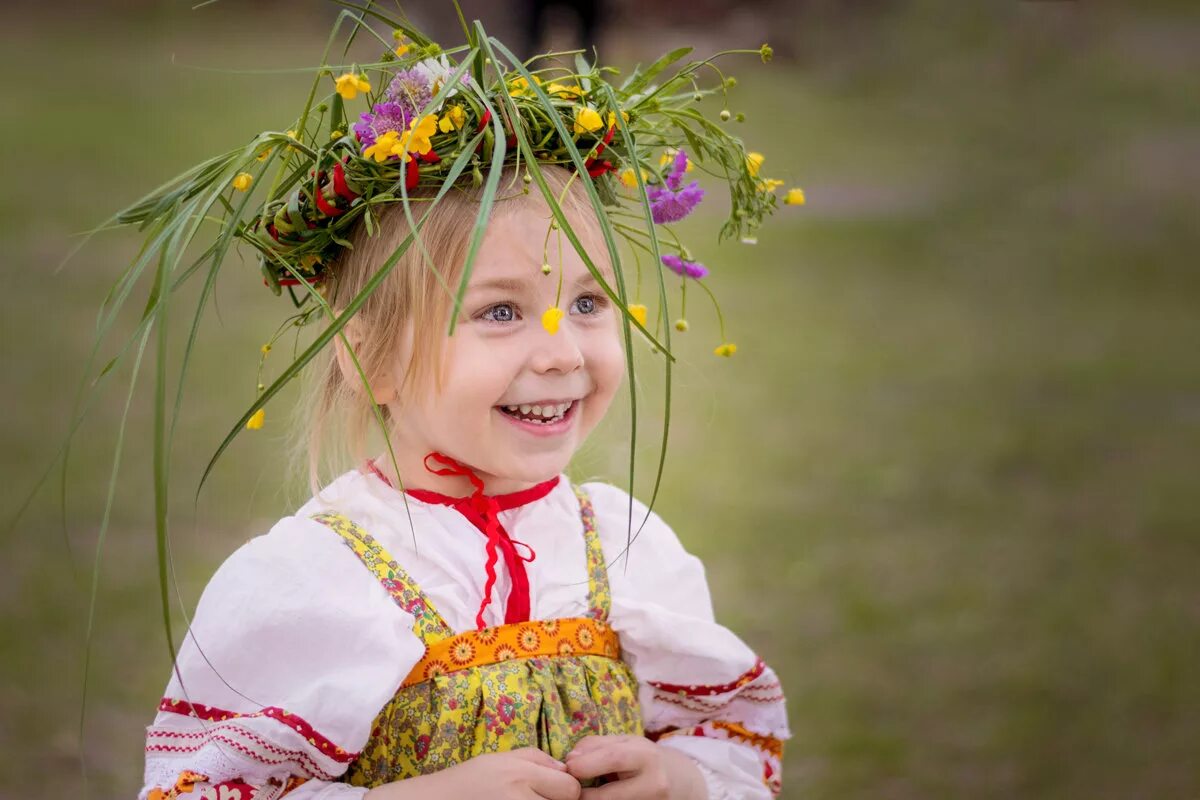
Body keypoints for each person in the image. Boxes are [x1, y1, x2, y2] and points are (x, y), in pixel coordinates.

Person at [109, 11, 800, 800]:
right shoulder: (312, 578)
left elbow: (735, 745)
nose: (562, 353)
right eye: (499, 312)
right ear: (371, 356)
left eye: (587, 302)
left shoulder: (630, 548)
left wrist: (677, 776)